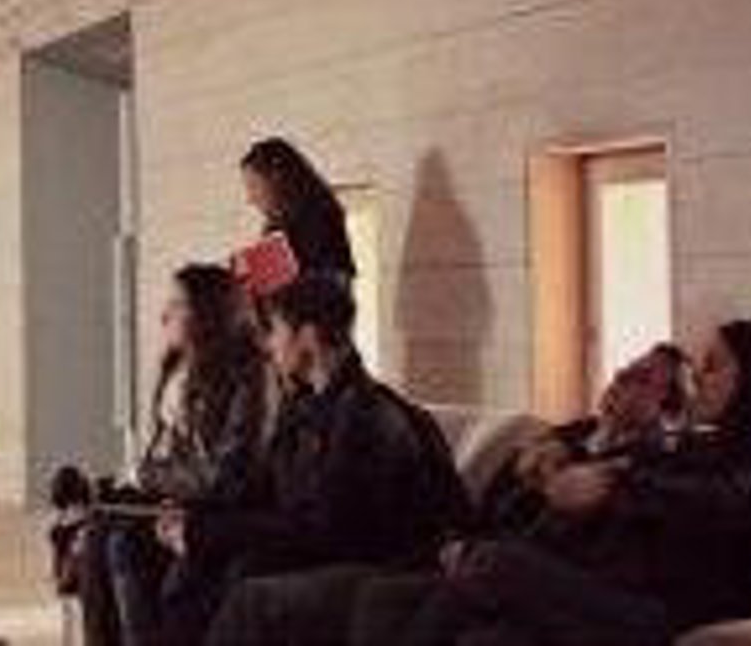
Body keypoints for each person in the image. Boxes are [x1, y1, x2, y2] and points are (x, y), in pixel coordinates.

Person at [355, 320, 751, 645]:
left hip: (670, 616)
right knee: (447, 620)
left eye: (714, 366)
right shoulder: (697, 446)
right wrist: (563, 448)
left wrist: (616, 486)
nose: (700, 376)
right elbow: (625, 458)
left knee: (494, 562)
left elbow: (725, 498)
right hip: (609, 590)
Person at [160, 276, 465, 642]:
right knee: (194, 566)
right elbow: (263, 493)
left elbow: (325, 531)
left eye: (274, 331)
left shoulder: (365, 417)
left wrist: (209, 533)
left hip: (384, 570)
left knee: (248, 593)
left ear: (307, 336)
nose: (268, 346)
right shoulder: (305, 407)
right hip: (328, 554)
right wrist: (195, 523)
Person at [78, 264, 268, 645]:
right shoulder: (176, 367)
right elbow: (168, 452)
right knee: (97, 524)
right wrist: (136, 480)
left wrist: (147, 477)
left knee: (126, 542)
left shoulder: (250, 376)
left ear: (209, 314)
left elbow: (222, 476)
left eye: (177, 304)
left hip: (219, 506)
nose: (164, 314)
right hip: (180, 494)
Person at [237, 137, 354, 286]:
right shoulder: (278, 227)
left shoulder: (320, 219)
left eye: (253, 186)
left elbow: (337, 281)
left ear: (276, 178)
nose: (251, 198)